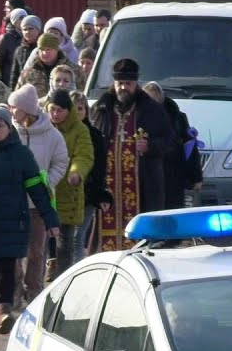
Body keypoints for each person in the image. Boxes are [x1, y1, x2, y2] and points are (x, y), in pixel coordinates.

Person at [0, 105, 61, 332]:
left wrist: (50, 219)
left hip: (13, 219)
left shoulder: (21, 154)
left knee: (8, 266)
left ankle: (4, 310)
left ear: (9, 128)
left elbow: (37, 188)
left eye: (0, 125)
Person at [91, 58, 175, 251]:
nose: (123, 88)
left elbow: (170, 141)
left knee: (143, 238)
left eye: (128, 84)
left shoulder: (151, 109)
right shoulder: (101, 109)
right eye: (120, 83)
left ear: (135, 84)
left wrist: (151, 146)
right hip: (107, 185)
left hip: (143, 185)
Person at [7, 84, 69, 306]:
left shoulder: (52, 134)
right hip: (12, 203)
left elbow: (61, 161)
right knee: (13, 251)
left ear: (26, 109)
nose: (10, 110)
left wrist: (47, 182)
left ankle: (34, 291)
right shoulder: (8, 131)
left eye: (14, 106)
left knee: (36, 252)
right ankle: (14, 291)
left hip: (38, 204)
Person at [47, 89, 94, 276]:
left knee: (65, 241)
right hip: (42, 189)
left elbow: (84, 156)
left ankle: (63, 279)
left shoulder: (80, 130)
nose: (55, 114)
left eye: (60, 110)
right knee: (39, 241)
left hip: (67, 190)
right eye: (52, 109)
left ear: (69, 110)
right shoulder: (41, 127)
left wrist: (77, 172)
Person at [143, 82, 202, 210]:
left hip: (173, 177)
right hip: (147, 178)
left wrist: (196, 177)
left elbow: (190, 149)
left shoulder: (177, 118)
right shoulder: (137, 118)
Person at [72, 91, 111, 257]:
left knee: (78, 236)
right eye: (72, 108)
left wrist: (100, 193)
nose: (77, 112)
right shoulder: (57, 131)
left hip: (87, 192)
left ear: (86, 111)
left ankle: (76, 270)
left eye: (80, 109)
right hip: (63, 192)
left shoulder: (94, 135)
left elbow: (100, 167)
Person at [0, 6, 28, 86]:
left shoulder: (28, 37)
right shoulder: (6, 38)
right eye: (21, 18)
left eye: (25, 17)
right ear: (14, 21)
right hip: (8, 80)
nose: (24, 20)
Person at [9, 15, 42, 87]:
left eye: (31, 28)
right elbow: (14, 75)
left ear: (38, 30)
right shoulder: (19, 51)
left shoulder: (43, 49)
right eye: (24, 29)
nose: (27, 32)